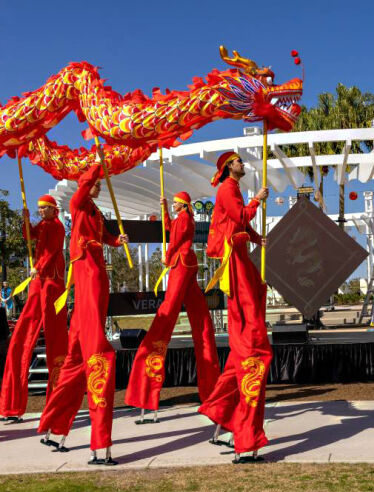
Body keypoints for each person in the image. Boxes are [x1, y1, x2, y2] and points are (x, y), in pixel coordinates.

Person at [37, 161, 128, 465]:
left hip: (97, 271)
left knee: (75, 364)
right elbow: (83, 189)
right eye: (95, 183)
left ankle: (55, 426)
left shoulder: (95, 211)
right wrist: (97, 166)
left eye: (99, 182)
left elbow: (103, 236)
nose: (98, 186)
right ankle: (99, 444)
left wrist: (117, 241)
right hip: (85, 271)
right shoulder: (78, 204)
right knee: (95, 352)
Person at [198, 151, 270, 463]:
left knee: (247, 343)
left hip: (240, 256)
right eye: (238, 161)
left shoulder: (233, 190)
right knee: (251, 340)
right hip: (234, 263)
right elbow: (239, 217)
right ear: (229, 166)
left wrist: (257, 237)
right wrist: (257, 201)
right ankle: (237, 429)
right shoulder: (227, 189)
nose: (243, 164)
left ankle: (220, 412)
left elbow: (238, 226)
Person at [125, 191, 220, 421]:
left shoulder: (185, 219)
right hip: (186, 262)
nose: (176, 206)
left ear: (184, 205)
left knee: (167, 314)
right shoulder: (182, 219)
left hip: (180, 262)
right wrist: (165, 208)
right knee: (202, 323)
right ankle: (211, 389)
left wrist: (168, 256)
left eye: (177, 203)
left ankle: (147, 384)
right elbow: (170, 228)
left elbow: (175, 238)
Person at [0, 194, 68, 422]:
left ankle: (59, 402)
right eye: (39, 208)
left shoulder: (57, 226)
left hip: (51, 280)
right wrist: (26, 223)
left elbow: (51, 251)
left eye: (43, 208)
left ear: (52, 209)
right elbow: (30, 236)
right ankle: (12, 405)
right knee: (22, 336)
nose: (41, 211)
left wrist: (37, 267)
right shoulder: (46, 224)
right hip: (39, 281)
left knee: (54, 336)